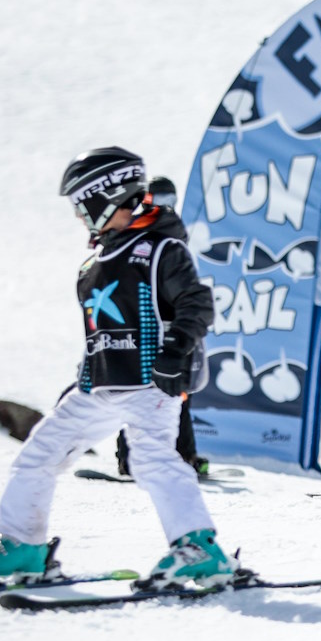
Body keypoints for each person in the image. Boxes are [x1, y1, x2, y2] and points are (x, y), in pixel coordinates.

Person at [0, 147, 236, 591]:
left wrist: (175, 353)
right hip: (99, 387)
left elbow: (197, 304)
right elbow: (100, 330)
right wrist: (83, 376)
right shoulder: (93, 263)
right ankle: (22, 546)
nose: (77, 215)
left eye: (80, 204)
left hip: (150, 382)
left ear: (106, 196)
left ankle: (200, 551)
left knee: (152, 462)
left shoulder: (161, 249)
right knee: (38, 455)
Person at [113, 175, 210, 478]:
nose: (165, 208)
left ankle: (177, 458)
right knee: (138, 396)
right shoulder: (145, 232)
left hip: (167, 327)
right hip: (145, 326)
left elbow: (191, 296)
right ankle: (137, 458)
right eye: (159, 202)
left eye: (170, 202)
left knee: (173, 397)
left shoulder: (168, 234)